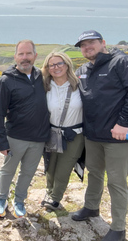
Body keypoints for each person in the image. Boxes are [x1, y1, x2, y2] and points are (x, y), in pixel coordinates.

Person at [71, 30, 128, 241]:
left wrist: (123, 123)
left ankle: (118, 229)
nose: (87, 48)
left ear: (103, 43)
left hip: (118, 137)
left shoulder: (121, 62)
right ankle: (91, 207)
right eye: (83, 45)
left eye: (91, 43)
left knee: (116, 182)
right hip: (93, 135)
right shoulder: (83, 70)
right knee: (94, 173)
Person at [0, 40, 50, 218]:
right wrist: (1, 141)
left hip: (39, 138)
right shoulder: (6, 80)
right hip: (15, 137)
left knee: (28, 172)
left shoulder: (43, 76)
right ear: (15, 57)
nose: (25, 58)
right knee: (8, 170)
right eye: (21, 54)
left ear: (35, 56)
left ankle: (19, 200)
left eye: (28, 54)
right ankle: (1, 199)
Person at [40, 52, 84, 211]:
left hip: (75, 134)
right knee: (50, 167)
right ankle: (49, 192)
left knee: (64, 167)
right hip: (51, 133)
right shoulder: (44, 87)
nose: (56, 67)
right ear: (47, 68)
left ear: (67, 65)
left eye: (59, 63)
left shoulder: (80, 86)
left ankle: (55, 198)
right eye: (51, 65)